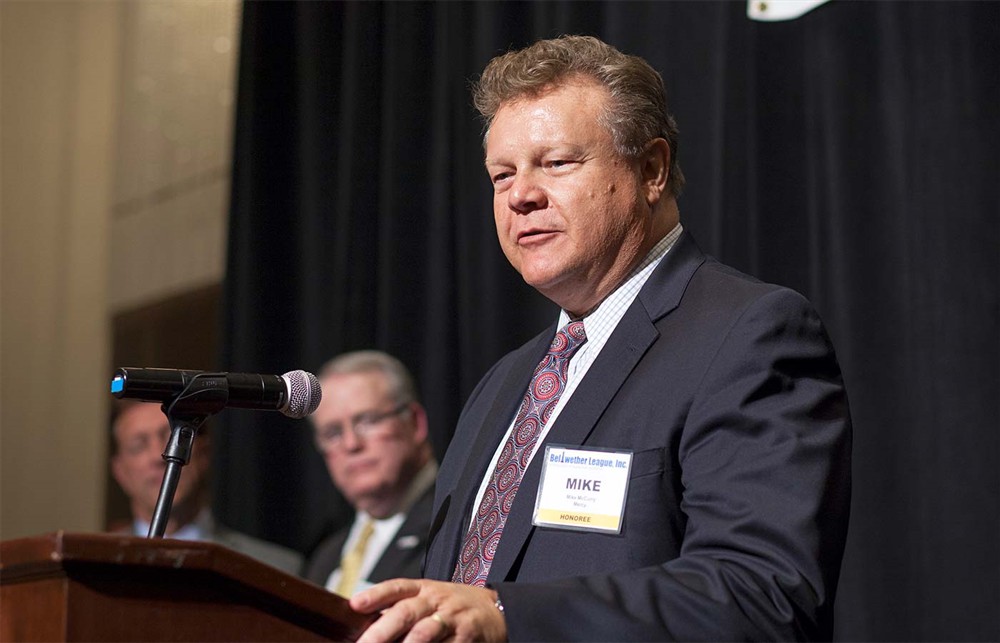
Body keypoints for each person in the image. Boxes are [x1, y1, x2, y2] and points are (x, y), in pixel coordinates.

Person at [349, 35, 852, 641]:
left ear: (651, 170)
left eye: (557, 162)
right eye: (501, 174)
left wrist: (507, 616)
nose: (520, 195)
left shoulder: (749, 334)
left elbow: (763, 593)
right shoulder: (503, 384)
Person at [110, 400, 302, 574]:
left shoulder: (276, 569)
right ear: (120, 472)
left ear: (203, 452)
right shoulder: (94, 565)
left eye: (171, 437)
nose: (158, 456)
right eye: (138, 446)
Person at [303, 351, 437, 597]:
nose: (351, 444)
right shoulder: (325, 556)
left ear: (415, 422)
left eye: (368, 421)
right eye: (333, 433)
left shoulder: (455, 524)